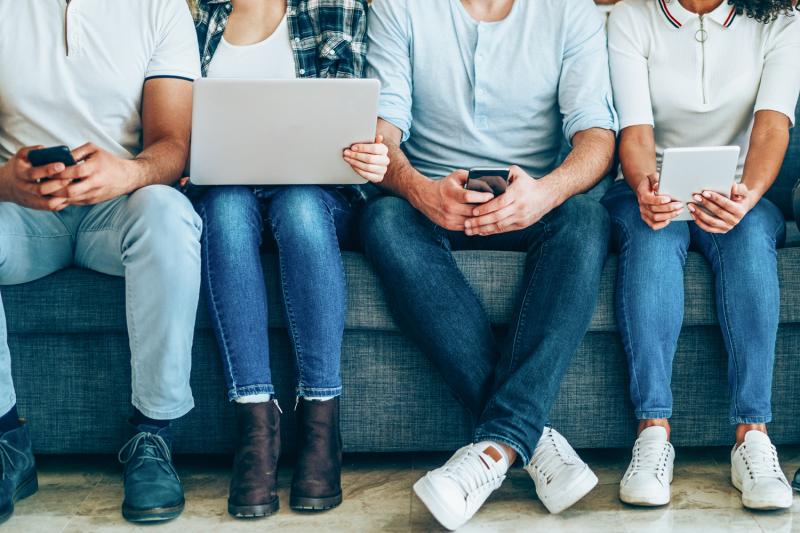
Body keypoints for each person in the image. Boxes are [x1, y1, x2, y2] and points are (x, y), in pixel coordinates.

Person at [362, 0, 618, 529]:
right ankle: (529, 439)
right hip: (434, 198)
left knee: (587, 220)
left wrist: (545, 193)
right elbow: (382, 133)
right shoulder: (397, 7)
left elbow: (597, 137)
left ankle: (494, 449)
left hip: (534, 200)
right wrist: (421, 190)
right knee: (383, 220)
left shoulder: (571, 11)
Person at [0, 0, 202, 525]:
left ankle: (153, 438)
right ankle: (6, 444)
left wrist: (129, 174)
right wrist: (6, 181)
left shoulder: (161, 9)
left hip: (116, 212)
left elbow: (173, 144)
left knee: (168, 212)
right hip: (20, 215)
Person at [190, 0, 389, 519]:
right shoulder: (196, 16)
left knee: (300, 206)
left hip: (315, 192)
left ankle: (322, 427)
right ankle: (256, 428)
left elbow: (348, 117)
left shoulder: (336, 7)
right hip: (226, 189)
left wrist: (363, 152)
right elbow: (176, 119)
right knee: (226, 212)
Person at [603, 0, 800, 511]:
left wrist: (747, 196)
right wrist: (647, 187)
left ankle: (752, 436)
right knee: (649, 242)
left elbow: (773, 124)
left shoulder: (780, 19)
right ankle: (652, 433)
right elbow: (636, 130)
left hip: (739, 193)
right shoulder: (631, 17)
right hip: (648, 188)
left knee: (751, 242)